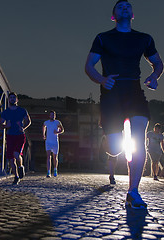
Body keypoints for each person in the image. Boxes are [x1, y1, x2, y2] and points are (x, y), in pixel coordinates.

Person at [85, 0, 163, 209]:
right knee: (113, 149)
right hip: (111, 94)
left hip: (134, 92)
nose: (125, 8)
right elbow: (89, 66)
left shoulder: (144, 38)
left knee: (139, 140)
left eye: (128, 6)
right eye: (120, 7)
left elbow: (158, 62)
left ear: (133, 14)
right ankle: (109, 139)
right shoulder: (103, 38)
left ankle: (133, 192)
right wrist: (101, 80)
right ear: (114, 15)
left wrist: (155, 76)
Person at [0, 92, 31, 185]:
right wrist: (5, 126)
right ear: (8, 100)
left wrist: (23, 127)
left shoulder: (22, 110)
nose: (12, 99)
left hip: (20, 135)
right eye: (10, 98)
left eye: (14, 98)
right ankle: (16, 177)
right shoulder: (5, 113)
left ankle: (21, 167)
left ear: (17, 100)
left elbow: (29, 121)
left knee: (16, 155)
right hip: (10, 136)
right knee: (11, 159)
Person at [42, 110, 64, 178]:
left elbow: (62, 130)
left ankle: (55, 170)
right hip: (48, 141)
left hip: (55, 142)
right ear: (49, 116)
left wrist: (57, 132)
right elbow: (43, 126)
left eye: (54, 115)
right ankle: (48, 172)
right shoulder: (46, 122)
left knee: (55, 157)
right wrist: (43, 134)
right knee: (48, 156)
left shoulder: (57, 122)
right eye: (51, 115)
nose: (53, 116)